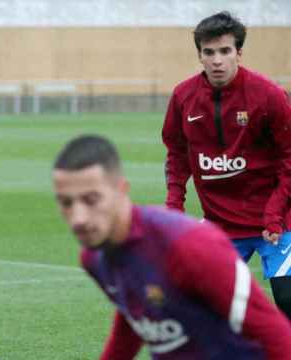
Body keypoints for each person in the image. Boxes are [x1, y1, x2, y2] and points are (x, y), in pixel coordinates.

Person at [53, 134, 291, 359]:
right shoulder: (94, 258)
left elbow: (277, 338)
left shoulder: (190, 247)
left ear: (121, 190)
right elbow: (135, 315)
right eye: (66, 203)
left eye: (91, 199)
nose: (78, 218)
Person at [162, 11, 291, 320]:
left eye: (225, 51)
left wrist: (274, 214)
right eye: (209, 52)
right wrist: (174, 208)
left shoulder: (269, 95)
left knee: (288, 301)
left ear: (239, 53)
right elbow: (177, 155)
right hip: (221, 223)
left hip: (276, 222)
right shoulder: (183, 97)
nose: (217, 60)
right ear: (200, 56)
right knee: (198, 305)